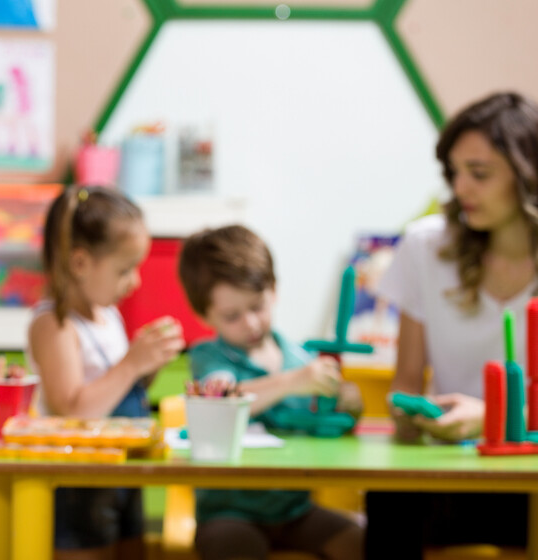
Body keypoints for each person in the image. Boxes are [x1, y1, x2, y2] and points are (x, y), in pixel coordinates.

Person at [365, 91, 538, 558]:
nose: (460, 188)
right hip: (451, 467)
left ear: (529, 174)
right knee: (389, 501)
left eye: (479, 174)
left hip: (532, 470)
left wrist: (493, 420)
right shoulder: (426, 248)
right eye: (454, 173)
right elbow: (406, 382)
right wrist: (411, 414)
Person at [178, 224, 364, 560]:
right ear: (203, 315)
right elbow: (221, 400)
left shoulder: (299, 356)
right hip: (227, 513)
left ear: (273, 290)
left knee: (362, 542)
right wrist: (291, 382)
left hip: (295, 510)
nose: (250, 323)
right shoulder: (209, 357)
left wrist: (348, 404)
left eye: (257, 306)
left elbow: (332, 425)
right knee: (235, 548)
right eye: (232, 315)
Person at [26, 186, 185, 560]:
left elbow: (118, 390)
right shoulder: (55, 324)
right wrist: (131, 363)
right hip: (82, 480)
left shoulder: (108, 315)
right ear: (80, 263)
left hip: (123, 472)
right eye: (125, 269)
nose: (136, 281)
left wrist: (147, 366)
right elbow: (73, 410)